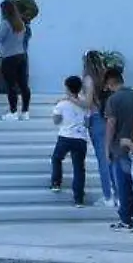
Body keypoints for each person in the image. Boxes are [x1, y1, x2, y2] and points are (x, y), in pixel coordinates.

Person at [103, 67, 133, 229]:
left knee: (123, 184)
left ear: (110, 83)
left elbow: (111, 124)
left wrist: (106, 148)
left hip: (120, 147)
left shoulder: (113, 100)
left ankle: (126, 218)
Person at [51, 76, 94, 206]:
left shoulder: (62, 103)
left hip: (65, 136)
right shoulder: (84, 104)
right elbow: (87, 122)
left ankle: (56, 182)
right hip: (80, 138)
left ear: (67, 88)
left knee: (56, 158)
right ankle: (78, 198)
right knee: (79, 168)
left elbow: (56, 120)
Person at [0, 0, 30, 119]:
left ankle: (13, 112)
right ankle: (25, 111)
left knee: (11, 85)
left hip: (9, 58)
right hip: (21, 56)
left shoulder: (6, 23)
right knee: (23, 84)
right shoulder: (21, 23)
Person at [83, 52, 112, 207]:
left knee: (103, 159)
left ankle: (108, 196)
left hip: (96, 119)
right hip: (109, 118)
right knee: (111, 158)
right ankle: (117, 193)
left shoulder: (89, 79)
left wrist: (72, 99)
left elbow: (88, 103)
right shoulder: (106, 77)